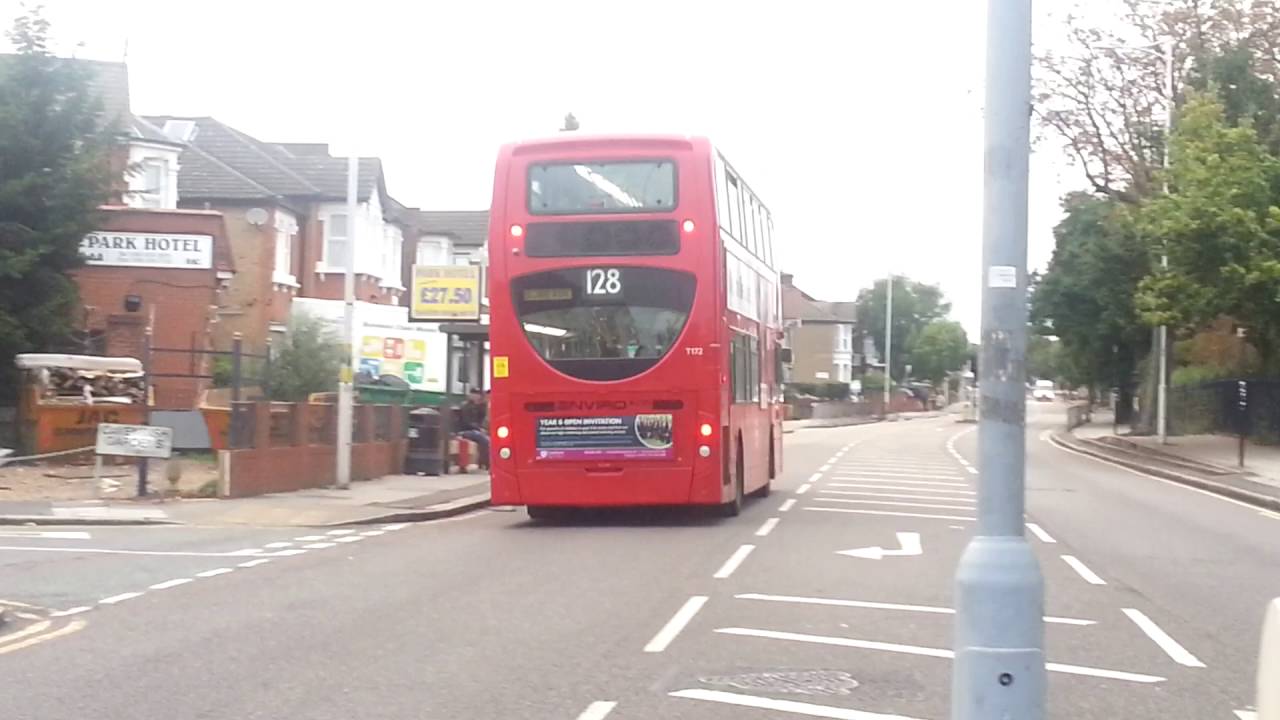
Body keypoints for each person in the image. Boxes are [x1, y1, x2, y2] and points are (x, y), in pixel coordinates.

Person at [457, 388, 489, 469]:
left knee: (485, 438)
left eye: (478, 395)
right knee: (484, 440)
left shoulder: (478, 406)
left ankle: (484, 462)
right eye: (475, 394)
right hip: (465, 431)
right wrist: (479, 429)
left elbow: (482, 419)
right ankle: (486, 463)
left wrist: (482, 405)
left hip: (474, 430)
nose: (477, 397)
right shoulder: (465, 406)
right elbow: (466, 422)